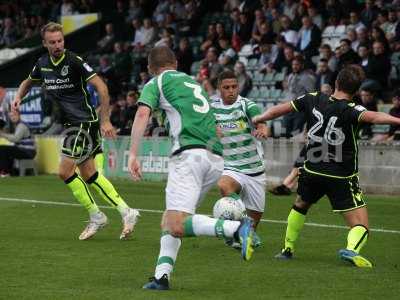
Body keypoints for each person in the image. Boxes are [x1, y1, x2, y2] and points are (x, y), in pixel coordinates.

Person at [128, 46, 255, 290]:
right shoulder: (194, 83)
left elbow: (143, 114)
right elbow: (215, 126)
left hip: (189, 155)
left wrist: (134, 153)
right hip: (215, 157)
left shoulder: (157, 82)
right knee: (171, 219)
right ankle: (161, 276)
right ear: (175, 62)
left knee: (176, 223)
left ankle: (236, 229)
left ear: (150, 68)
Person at [253, 65, 400, 268]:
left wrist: (260, 118)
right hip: (340, 175)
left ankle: (287, 249)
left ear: (336, 83)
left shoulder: (313, 97)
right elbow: (375, 117)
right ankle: (351, 250)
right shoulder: (352, 109)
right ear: (356, 91)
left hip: (312, 169)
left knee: (300, 204)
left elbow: (281, 108)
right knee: (361, 225)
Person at [11, 22, 139, 241]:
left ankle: (96, 216)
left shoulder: (74, 61)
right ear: (44, 44)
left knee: (64, 170)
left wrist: (106, 120)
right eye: (52, 42)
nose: (58, 45)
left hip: (83, 122)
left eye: (60, 40)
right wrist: (18, 97)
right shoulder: (42, 64)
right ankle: (127, 212)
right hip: (73, 124)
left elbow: (102, 87)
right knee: (90, 174)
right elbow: (27, 81)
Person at [211, 70, 269, 248]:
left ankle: (240, 233)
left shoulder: (246, 105)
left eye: (234, 87)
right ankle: (243, 227)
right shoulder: (212, 108)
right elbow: (205, 125)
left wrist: (263, 129)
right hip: (231, 166)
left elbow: (260, 121)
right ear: (219, 88)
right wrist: (212, 129)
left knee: (255, 215)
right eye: (226, 87)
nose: (231, 91)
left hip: (254, 170)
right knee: (223, 185)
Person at [0, 110, 36, 177]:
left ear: (19, 115)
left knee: (2, 149)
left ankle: (5, 172)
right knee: (6, 150)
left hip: (28, 151)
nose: (12, 117)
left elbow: (16, 138)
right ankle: (9, 172)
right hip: (25, 150)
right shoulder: (17, 125)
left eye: (14, 115)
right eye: (11, 116)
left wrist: (2, 134)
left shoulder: (21, 125)